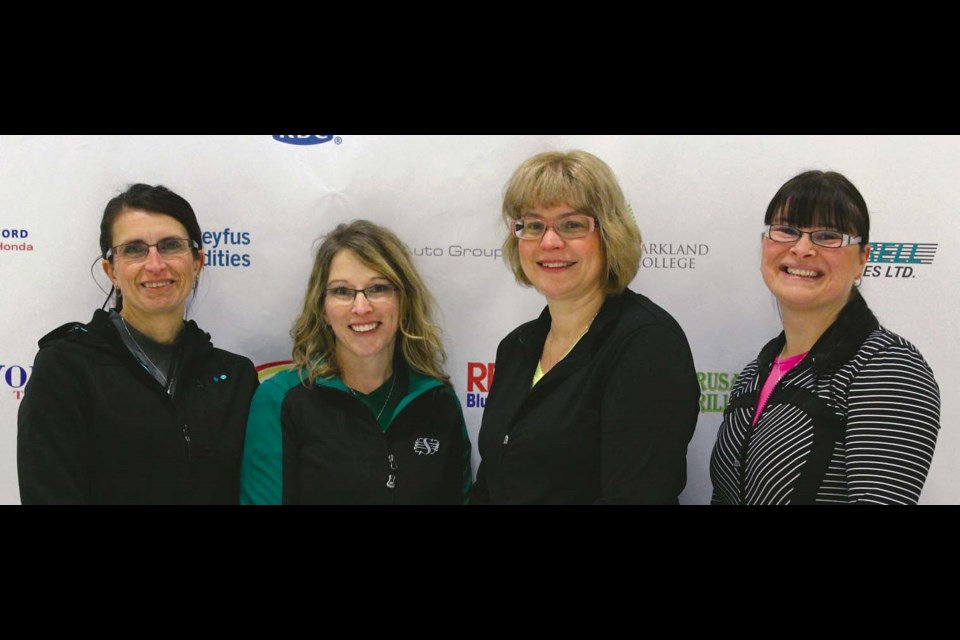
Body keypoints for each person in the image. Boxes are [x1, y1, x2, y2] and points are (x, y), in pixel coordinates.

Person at [471, 150, 700, 504]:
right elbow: (492, 484)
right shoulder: (517, 347)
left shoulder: (646, 345)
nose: (549, 241)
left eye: (571, 224)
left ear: (609, 233)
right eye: (533, 225)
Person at [18, 183, 259, 504]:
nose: (155, 264)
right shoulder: (65, 368)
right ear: (111, 271)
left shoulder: (235, 377)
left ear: (197, 262)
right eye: (133, 249)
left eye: (171, 245)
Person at [710, 170, 941, 504]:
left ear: (863, 259)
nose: (802, 248)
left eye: (828, 236)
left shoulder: (887, 368)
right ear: (764, 245)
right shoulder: (754, 374)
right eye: (786, 230)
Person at [240, 220, 471, 504]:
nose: (361, 307)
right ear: (322, 309)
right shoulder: (281, 400)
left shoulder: (438, 401)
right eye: (342, 291)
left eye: (378, 288)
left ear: (404, 301)